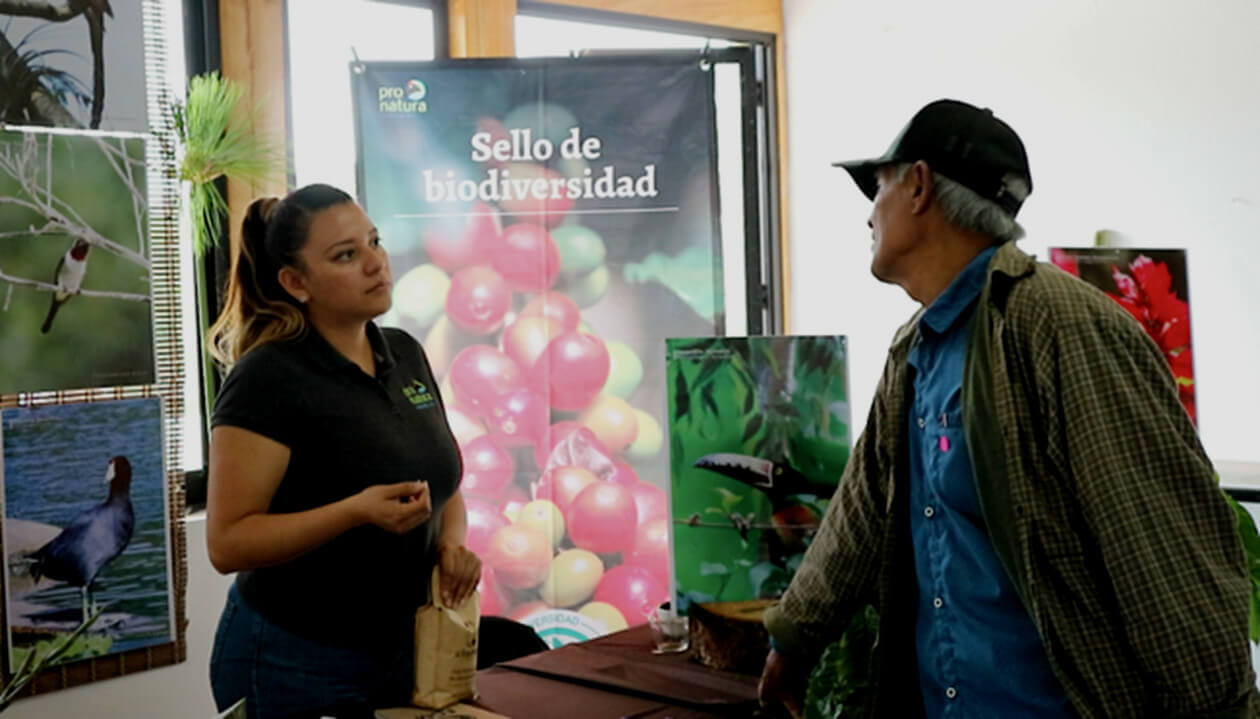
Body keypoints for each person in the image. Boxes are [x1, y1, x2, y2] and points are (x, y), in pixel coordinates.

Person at [757, 100, 1259, 718]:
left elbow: (1157, 545)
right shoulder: (915, 348)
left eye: (878, 187)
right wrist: (794, 638)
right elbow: (862, 512)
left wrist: (1221, 707)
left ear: (918, 186)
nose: (868, 214)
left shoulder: (1060, 326)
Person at [204, 184, 480, 719]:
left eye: (374, 243)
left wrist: (451, 542)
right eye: (347, 256)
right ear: (295, 282)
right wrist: (352, 513)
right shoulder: (269, 377)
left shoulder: (404, 352)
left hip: (403, 653)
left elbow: (442, 484)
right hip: (293, 659)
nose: (377, 264)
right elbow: (228, 542)